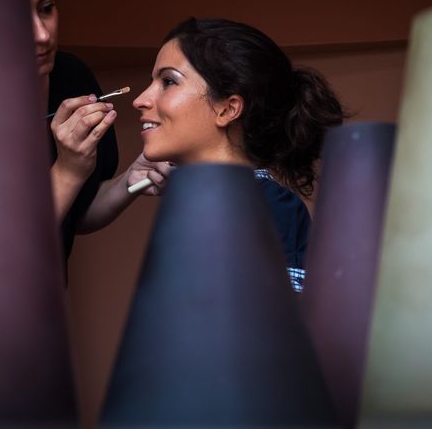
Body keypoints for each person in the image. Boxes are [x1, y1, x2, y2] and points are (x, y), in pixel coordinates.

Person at [132, 18, 347, 292]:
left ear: (227, 109)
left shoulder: (267, 206)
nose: (140, 100)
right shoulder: (202, 207)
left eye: (168, 81)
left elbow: (272, 328)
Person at [26, 0, 171, 282]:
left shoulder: (71, 77)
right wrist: (67, 170)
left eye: (47, 9)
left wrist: (129, 183)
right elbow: (0, 255)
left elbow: (73, 217)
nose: (43, 35)